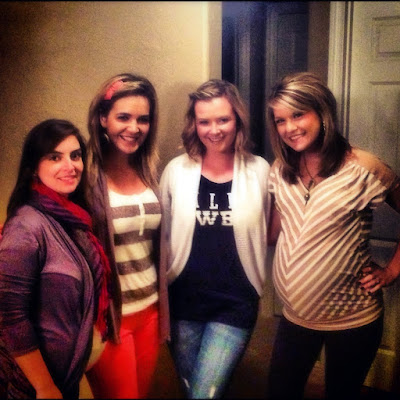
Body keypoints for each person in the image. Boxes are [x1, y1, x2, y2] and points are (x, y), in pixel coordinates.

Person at [265, 71, 400, 399]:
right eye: (281, 120)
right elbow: (273, 233)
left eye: (298, 114)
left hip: (352, 319)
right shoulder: (280, 169)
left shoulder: (364, 167)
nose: (290, 128)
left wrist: (392, 270)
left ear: (322, 112)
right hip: (294, 317)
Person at [160, 79, 271, 399]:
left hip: (235, 303)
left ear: (238, 120)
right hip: (183, 302)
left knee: (204, 394)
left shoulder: (259, 170)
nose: (214, 130)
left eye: (223, 119)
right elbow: (162, 235)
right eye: (204, 121)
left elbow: (269, 227)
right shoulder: (176, 171)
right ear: (194, 124)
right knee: (190, 389)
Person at [0, 119, 111, 399]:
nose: (70, 166)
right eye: (55, 157)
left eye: (75, 155)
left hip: (66, 379)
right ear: (33, 167)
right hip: (34, 386)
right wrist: (44, 387)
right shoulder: (26, 227)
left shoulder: (71, 217)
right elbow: (10, 316)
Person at [84, 73, 169, 399]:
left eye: (143, 119)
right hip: (108, 320)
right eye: (123, 117)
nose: (134, 128)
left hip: (150, 312)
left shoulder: (149, 170)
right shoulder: (84, 177)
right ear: (103, 118)